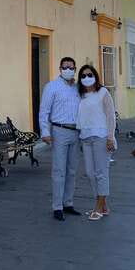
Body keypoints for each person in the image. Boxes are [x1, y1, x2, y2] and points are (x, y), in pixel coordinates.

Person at [38, 56, 82, 221]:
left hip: (76, 132)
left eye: (71, 67)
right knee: (59, 170)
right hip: (59, 131)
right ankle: (57, 206)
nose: (68, 70)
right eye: (65, 67)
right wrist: (45, 132)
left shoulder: (78, 88)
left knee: (72, 170)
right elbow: (44, 111)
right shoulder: (51, 87)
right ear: (60, 69)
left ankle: (68, 203)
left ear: (75, 69)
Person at [76, 65, 116, 221]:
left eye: (89, 74)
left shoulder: (103, 92)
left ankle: (98, 207)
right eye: (83, 76)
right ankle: (103, 204)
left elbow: (110, 116)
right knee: (90, 173)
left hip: (101, 136)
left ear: (95, 76)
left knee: (101, 173)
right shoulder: (81, 95)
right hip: (85, 137)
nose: (86, 78)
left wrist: (110, 137)